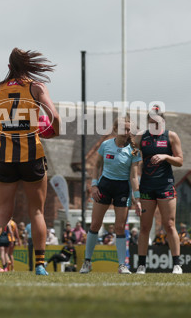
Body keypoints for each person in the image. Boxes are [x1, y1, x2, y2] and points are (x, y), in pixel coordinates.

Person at [0, 48, 60, 276]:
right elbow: (55, 118)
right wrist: (53, 132)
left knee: (3, 210)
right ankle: (41, 265)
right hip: (32, 155)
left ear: (9, 67)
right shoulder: (36, 88)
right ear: (28, 66)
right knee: (37, 212)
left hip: (5, 156)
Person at [80, 116, 142, 275]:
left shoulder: (134, 151)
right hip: (104, 186)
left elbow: (134, 177)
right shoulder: (106, 145)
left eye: (129, 129)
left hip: (122, 189)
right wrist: (94, 185)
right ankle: (87, 262)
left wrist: (137, 198)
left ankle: (122, 265)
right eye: (123, 128)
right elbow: (97, 166)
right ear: (116, 129)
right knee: (94, 225)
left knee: (120, 227)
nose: (126, 132)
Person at [133, 105, 184, 275]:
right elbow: (130, 154)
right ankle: (141, 265)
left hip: (165, 185)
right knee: (144, 227)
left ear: (163, 121)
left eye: (157, 120)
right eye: (151, 120)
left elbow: (180, 161)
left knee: (169, 225)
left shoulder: (171, 136)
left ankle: (177, 264)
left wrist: (166, 156)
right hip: (147, 186)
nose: (154, 123)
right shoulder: (141, 137)